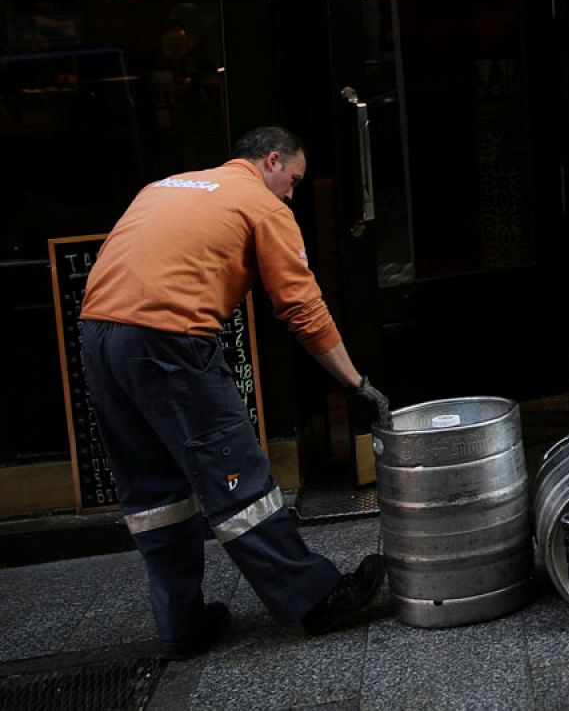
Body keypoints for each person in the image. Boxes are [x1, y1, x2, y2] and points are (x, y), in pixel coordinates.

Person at [79, 125, 391, 658]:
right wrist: (355, 383)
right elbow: (302, 308)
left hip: (97, 335)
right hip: (168, 338)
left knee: (154, 491)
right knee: (237, 477)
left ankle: (182, 623)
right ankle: (316, 598)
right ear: (271, 161)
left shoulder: (168, 185)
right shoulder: (263, 206)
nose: (291, 193)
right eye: (292, 180)